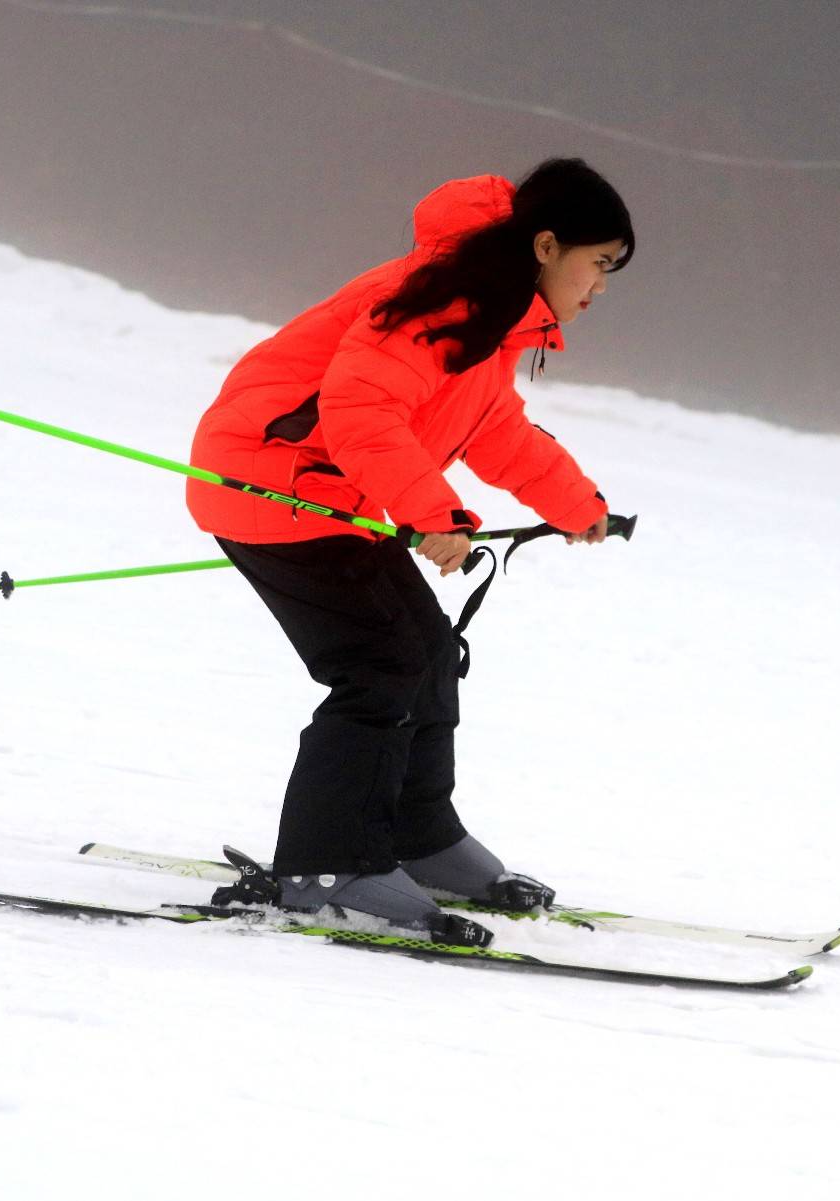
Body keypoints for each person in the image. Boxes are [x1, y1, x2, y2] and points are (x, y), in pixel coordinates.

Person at [186, 158, 634, 939]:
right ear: (547, 244)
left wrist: (575, 504)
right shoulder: (439, 299)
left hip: (331, 493)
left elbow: (495, 430)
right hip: (271, 481)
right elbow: (360, 407)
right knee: (381, 661)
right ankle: (326, 863)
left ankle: (416, 837)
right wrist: (432, 508)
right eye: (599, 263)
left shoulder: (490, 317)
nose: (600, 286)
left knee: (424, 652)